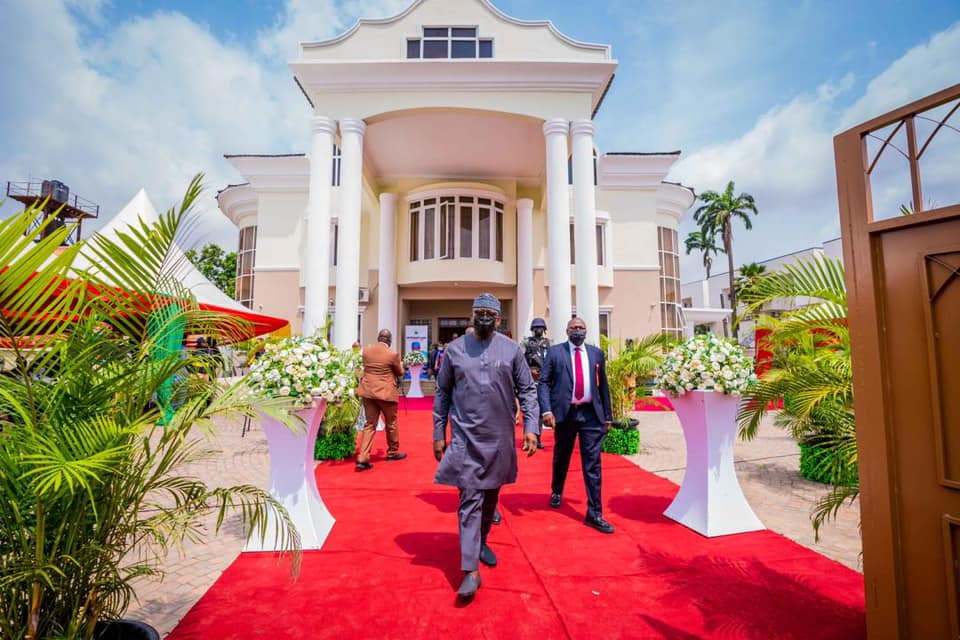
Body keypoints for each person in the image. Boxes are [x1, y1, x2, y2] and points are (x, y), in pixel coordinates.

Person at [433, 293, 539, 599]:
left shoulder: (512, 350)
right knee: (469, 499)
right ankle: (470, 570)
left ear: (498, 319)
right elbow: (441, 394)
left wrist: (531, 427)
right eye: (478, 312)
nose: (483, 317)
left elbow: (528, 391)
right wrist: (439, 432)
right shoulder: (454, 350)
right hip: (465, 438)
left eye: (489, 314)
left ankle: (480, 541)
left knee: (491, 496)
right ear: (471, 315)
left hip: (500, 438)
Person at [539, 317, 615, 534]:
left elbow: (604, 387)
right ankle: (556, 490)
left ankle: (595, 513)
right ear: (566, 331)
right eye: (574, 328)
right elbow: (544, 382)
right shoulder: (555, 353)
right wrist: (546, 410)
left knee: (593, 464)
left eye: (581, 328)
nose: (578, 331)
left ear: (586, 330)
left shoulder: (596, 354)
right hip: (565, 414)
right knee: (561, 456)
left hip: (591, 415)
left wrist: (607, 416)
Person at [355, 329, 407, 471]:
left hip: (368, 392)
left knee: (370, 424)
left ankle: (363, 458)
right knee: (391, 423)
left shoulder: (366, 351)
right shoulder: (392, 354)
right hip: (386, 394)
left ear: (378, 338)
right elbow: (400, 372)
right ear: (389, 340)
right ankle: (392, 452)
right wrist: (401, 366)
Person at [523, 317, 552, 450]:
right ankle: (528, 436)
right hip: (530, 380)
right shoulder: (526, 343)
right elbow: (521, 363)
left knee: (540, 411)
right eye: (536, 328)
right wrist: (529, 371)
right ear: (532, 329)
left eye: (541, 327)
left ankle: (538, 437)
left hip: (544, 380)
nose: (538, 330)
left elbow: (551, 361)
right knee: (529, 409)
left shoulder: (548, 343)